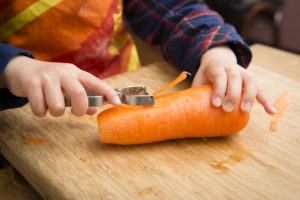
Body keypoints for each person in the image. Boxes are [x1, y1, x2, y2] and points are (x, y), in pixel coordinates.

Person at [0, 0, 276, 117]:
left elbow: (174, 7)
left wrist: (216, 50)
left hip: (126, 94)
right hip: (25, 112)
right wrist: (12, 66)